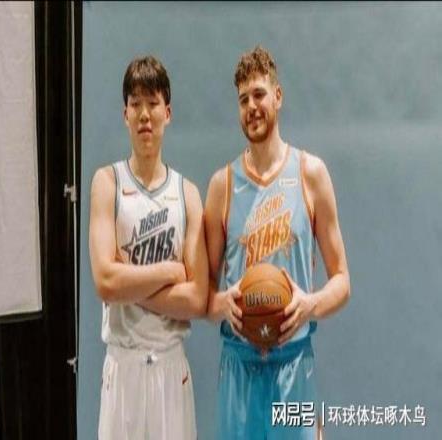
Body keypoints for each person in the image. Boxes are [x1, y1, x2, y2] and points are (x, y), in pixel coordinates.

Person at [205, 45, 351, 439]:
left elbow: (342, 281)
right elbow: (202, 293)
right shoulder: (222, 185)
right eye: (243, 100)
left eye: (259, 94)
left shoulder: (310, 174)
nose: (252, 107)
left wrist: (310, 304)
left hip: (293, 364)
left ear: (278, 96)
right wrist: (223, 304)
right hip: (239, 366)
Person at [89, 55, 208, 440]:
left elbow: (197, 299)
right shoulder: (107, 183)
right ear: (124, 114)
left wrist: (130, 282)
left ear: (167, 113)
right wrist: (170, 272)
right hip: (122, 367)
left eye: (152, 103)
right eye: (135, 103)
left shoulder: (187, 194)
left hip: (171, 370)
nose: (144, 114)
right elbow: (106, 282)